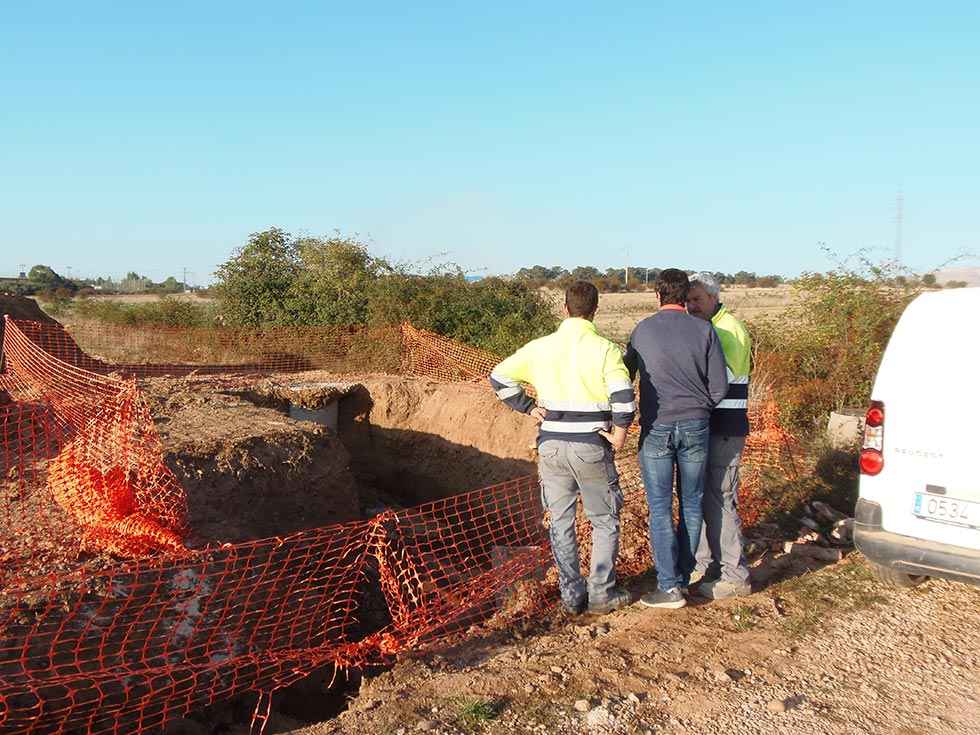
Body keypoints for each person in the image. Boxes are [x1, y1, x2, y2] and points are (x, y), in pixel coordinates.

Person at [490, 281, 636, 615]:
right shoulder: (605, 349)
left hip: (551, 445)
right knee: (604, 520)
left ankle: (571, 597)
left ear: (565, 309)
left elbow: (499, 377)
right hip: (591, 445)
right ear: (595, 310)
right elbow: (624, 400)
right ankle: (601, 594)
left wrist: (528, 407)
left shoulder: (540, 347)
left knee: (560, 522)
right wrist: (620, 436)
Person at [624, 269, 728, 610]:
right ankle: (682, 578)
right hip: (697, 425)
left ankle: (668, 586)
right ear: (685, 296)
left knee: (659, 507)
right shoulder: (705, 329)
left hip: (656, 427)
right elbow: (719, 388)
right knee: (692, 502)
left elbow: (625, 377)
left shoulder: (642, 331)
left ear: (657, 296)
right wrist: (700, 409)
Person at [686, 272, 753, 598]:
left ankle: (735, 576)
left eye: (697, 299)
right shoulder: (710, 327)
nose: (691, 306)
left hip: (724, 428)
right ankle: (708, 565)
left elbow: (718, 381)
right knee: (705, 498)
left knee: (720, 500)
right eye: (688, 300)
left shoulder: (728, 331)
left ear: (714, 297)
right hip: (714, 426)